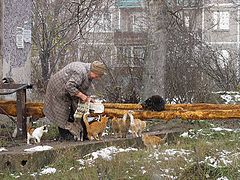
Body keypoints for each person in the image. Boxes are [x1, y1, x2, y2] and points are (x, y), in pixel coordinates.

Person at [43, 61, 107, 140]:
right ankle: (65, 136)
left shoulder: (88, 73)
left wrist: (88, 97)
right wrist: (82, 96)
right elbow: (70, 86)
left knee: (75, 110)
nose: (97, 78)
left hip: (67, 90)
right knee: (63, 112)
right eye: (97, 75)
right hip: (58, 89)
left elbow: (80, 87)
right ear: (93, 71)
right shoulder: (80, 72)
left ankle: (80, 133)